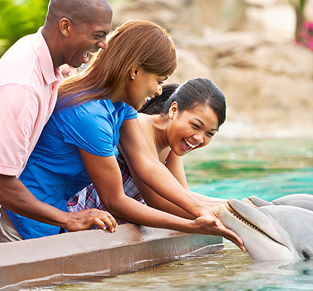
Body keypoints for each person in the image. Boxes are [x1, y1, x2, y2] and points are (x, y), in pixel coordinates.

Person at [5, 21, 245, 251]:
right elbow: (116, 201)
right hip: (22, 221)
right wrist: (192, 225)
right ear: (135, 70)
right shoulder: (89, 116)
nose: (160, 91)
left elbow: (148, 166)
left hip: (51, 216)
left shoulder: (121, 107)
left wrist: (201, 210)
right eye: (158, 80)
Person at [0, 0, 116, 242]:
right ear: (65, 27)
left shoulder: (42, 56)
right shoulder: (22, 87)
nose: (103, 45)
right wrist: (68, 218)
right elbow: (2, 183)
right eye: (98, 35)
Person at [68, 78, 229, 221]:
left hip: (113, 223)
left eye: (209, 134)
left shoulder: (173, 143)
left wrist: (234, 206)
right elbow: (158, 202)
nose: (199, 138)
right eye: (195, 126)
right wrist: (224, 216)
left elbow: (183, 195)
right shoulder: (138, 124)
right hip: (84, 217)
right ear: (173, 110)